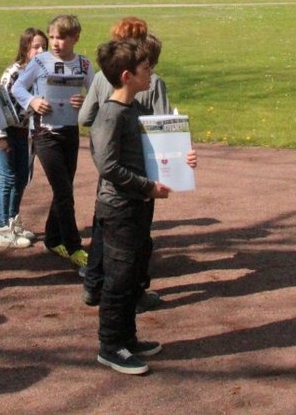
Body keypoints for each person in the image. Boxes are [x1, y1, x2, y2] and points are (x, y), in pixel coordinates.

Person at [90, 38, 196, 375]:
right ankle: (110, 346)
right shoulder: (110, 115)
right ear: (126, 75)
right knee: (118, 279)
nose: (151, 72)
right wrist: (147, 186)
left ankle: (128, 339)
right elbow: (108, 167)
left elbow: (158, 151)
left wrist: (185, 158)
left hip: (138, 205)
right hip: (119, 208)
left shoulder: (137, 110)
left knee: (133, 274)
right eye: (145, 68)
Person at [80, 19, 170, 312]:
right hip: (134, 175)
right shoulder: (148, 86)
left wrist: (105, 142)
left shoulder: (102, 81)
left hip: (113, 175)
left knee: (103, 233)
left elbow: (84, 118)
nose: (151, 70)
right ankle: (132, 297)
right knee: (133, 243)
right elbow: (164, 128)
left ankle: (93, 285)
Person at [11, 14, 94, 269]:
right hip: (44, 133)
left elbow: (95, 93)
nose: (55, 43)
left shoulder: (83, 64)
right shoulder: (39, 61)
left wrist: (85, 102)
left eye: (61, 37)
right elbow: (17, 88)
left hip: (69, 132)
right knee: (64, 191)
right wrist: (33, 102)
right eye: (53, 37)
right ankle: (74, 247)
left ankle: (52, 237)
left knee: (64, 187)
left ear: (75, 38)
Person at [0, 27, 48, 249]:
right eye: (36, 46)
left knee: (22, 178)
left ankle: (13, 222)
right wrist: (0, 135)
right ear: (25, 48)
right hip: (6, 130)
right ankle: (2, 228)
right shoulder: (13, 72)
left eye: (43, 46)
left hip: (25, 132)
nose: (40, 50)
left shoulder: (41, 73)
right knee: (8, 178)